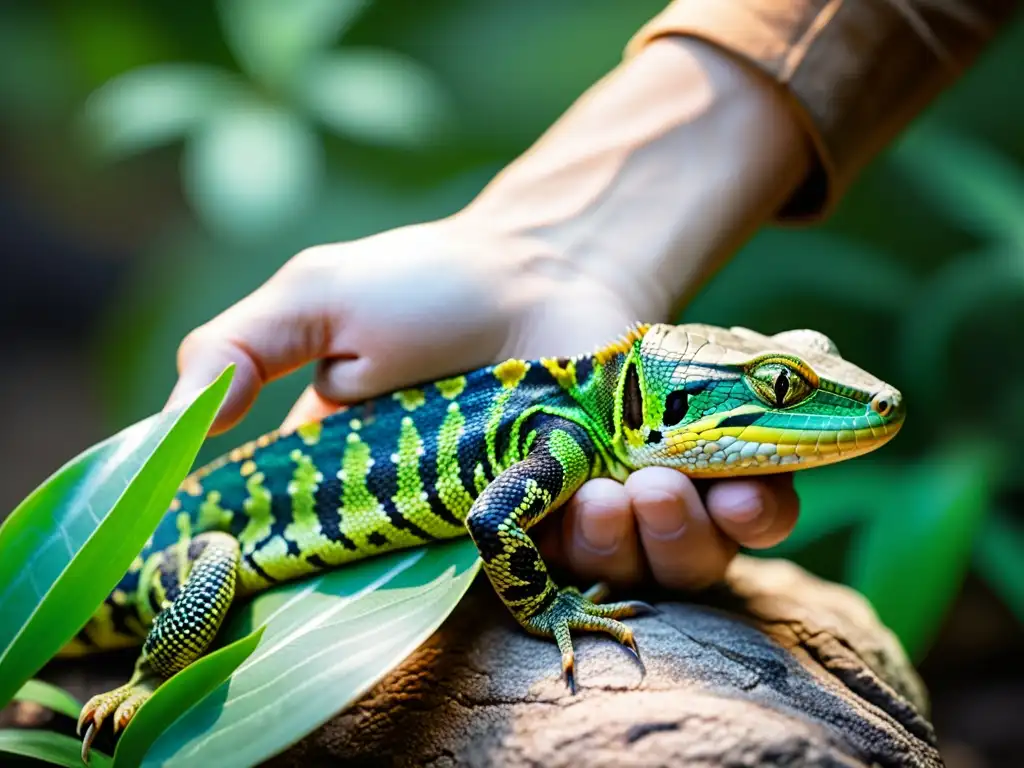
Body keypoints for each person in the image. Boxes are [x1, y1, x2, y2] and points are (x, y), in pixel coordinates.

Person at [165, 0, 1016, 591]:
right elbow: (499, 521)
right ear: (671, 403)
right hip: (184, 559)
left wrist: (568, 255)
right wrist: (550, 607)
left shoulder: (580, 432)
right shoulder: (571, 437)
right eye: (783, 390)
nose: (851, 399)